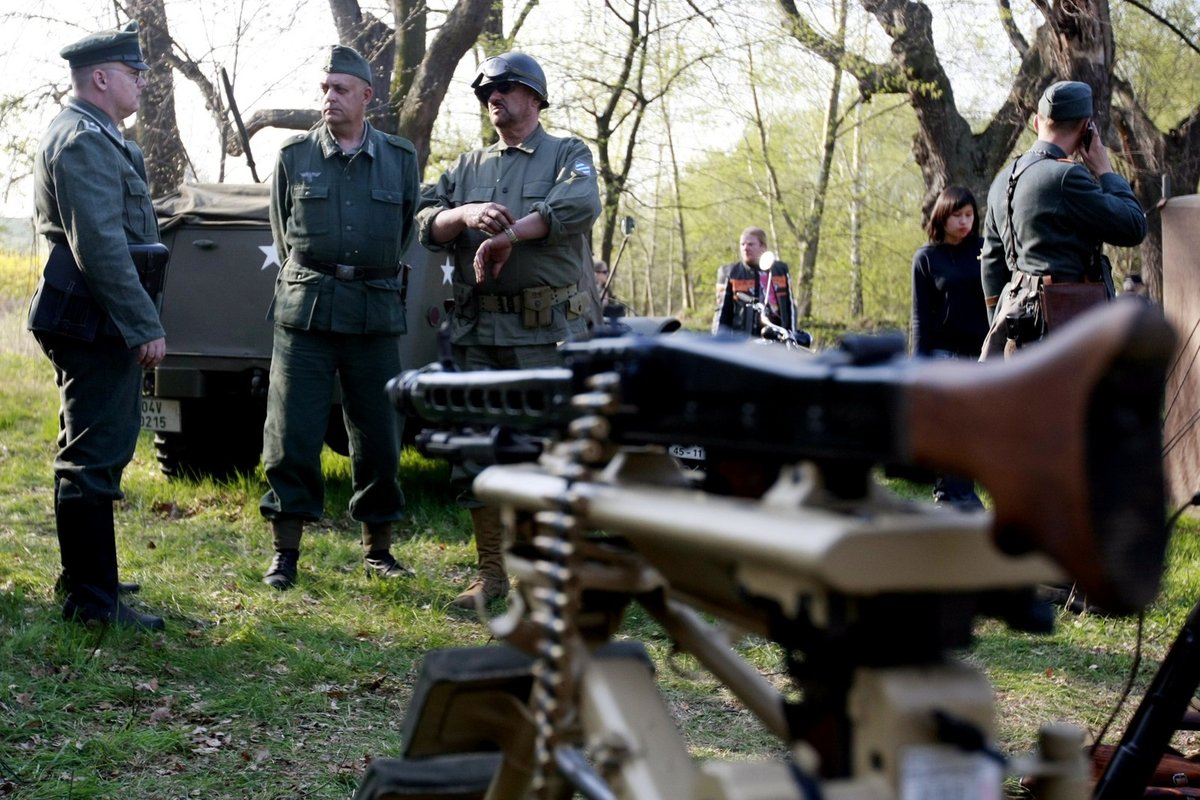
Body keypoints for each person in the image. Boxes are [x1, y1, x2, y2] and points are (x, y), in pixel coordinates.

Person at [417, 51, 601, 610]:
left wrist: (509, 236)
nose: (493, 97)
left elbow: (577, 203)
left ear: (535, 98)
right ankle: (491, 576)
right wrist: (465, 215)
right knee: (478, 454)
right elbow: (424, 216)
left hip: (543, 335)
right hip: (477, 332)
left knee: (543, 453)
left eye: (505, 87)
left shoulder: (567, 153)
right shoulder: (469, 168)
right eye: (486, 91)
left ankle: (541, 580)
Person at [259, 45, 420, 590]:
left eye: (341, 89)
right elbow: (286, 237)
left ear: (367, 96)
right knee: (291, 433)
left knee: (379, 434)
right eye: (324, 87)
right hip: (306, 309)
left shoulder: (399, 158)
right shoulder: (293, 157)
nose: (329, 97)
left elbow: (402, 232)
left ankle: (378, 548)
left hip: (373, 311)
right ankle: (286, 552)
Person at [27, 21, 167, 630]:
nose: (142, 83)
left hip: (89, 313)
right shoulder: (83, 139)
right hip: (95, 316)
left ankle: (87, 574)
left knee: (85, 446)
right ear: (102, 78)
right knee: (95, 454)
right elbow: (103, 246)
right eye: (134, 74)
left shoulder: (97, 134)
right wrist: (143, 324)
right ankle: (93, 602)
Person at [979, 80, 1146, 359]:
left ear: (1036, 122)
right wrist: (1105, 170)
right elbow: (1133, 226)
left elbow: (991, 267)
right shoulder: (1067, 177)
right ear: (1085, 129)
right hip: (1068, 333)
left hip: (1016, 331)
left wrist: (1000, 324)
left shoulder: (1003, 179)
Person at [910, 185, 987, 509]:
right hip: (944, 356)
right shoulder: (926, 258)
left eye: (969, 215)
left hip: (983, 357)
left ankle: (957, 497)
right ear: (943, 216)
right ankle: (954, 499)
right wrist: (917, 369)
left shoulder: (985, 251)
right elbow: (920, 319)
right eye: (958, 215)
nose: (964, 222)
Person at [713, 227, 795, 337]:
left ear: (763, 247)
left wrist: (791, 337)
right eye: (742, 244)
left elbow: (789, 308)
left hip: (776, 340)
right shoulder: (730, 272)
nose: (745, 248)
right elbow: (721, 313)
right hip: (742, 341)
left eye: (750, 244)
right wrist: (717, 342)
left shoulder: (780, 271)